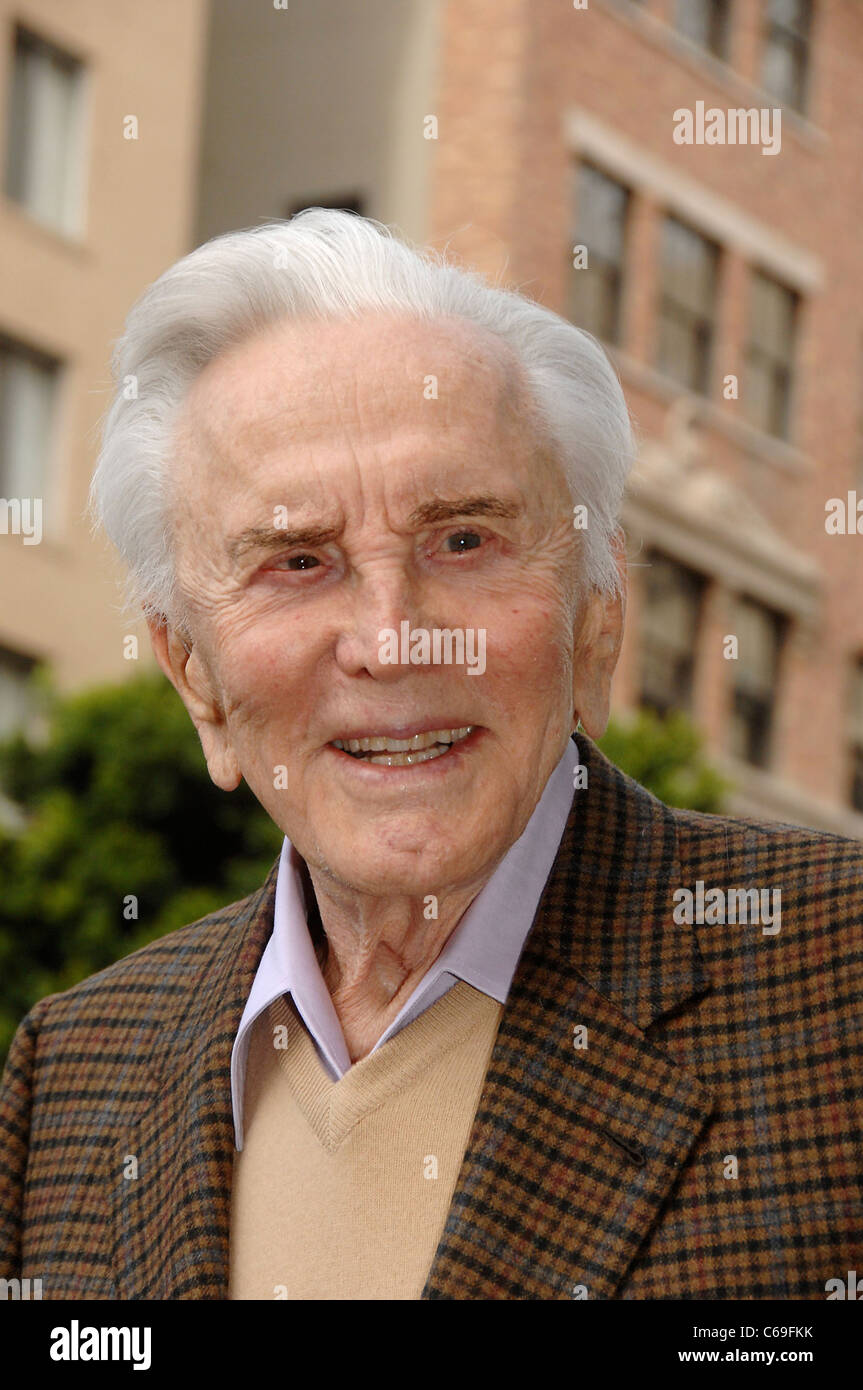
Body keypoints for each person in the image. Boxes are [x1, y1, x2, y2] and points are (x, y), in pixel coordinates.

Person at [1, 210, 859, 1300]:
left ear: (595, 618)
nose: (395, 640)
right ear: (197, 682)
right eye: (296, 560)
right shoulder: (70, 1075)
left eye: (462, 540)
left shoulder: (836, 989)